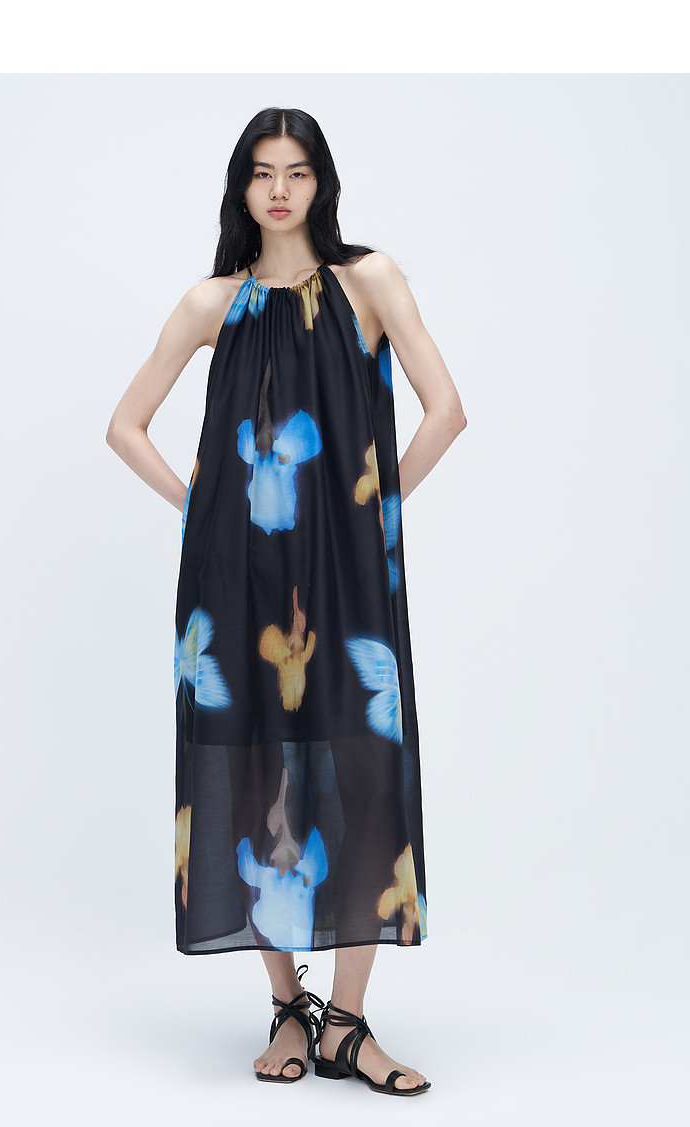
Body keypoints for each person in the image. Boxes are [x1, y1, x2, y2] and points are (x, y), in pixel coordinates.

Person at [106, 107, 466, 1096]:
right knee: (253, 769)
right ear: (241, 186)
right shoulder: (211, 302)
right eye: (262, 172)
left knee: (365, 770)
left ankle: (347, 1020)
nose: (278, 189)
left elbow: (447, 410)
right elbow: (126, 425)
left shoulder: (369, 281)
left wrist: (370, 509)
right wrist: (201, 511)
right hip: (233, 580)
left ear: (320, 183)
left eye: (296, 171)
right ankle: (286, 1004)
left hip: (349, 576)